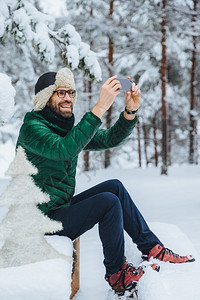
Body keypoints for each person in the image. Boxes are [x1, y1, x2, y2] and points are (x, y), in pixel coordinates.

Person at [16, 67, 195, 296]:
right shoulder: (32, 129)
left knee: (114, 187)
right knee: (107, 202)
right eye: (60, 92)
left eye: (71, 92)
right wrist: (99, 107)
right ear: (44, 97)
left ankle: (152, 248)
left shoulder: (64, 128)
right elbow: (63, 150)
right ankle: (116, 273)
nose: (68, 98)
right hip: (38, 221)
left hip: (57, 210)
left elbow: (110, 138)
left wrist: (130, 111)